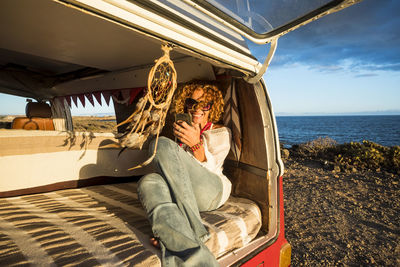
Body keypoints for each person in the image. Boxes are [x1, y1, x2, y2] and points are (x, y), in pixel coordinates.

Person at [137, 81, 232, 266]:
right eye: (191, 103)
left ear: (212, 107)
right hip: (185, 193)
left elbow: (213, 169)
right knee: (148, 182)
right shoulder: (180, 133)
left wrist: (196, 145)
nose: (197, 109)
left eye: (204, 104)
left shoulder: (220, 133)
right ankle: (174, 237)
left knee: (161, 145)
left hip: (213, 191)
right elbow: (176, 175)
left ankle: (195, 231)